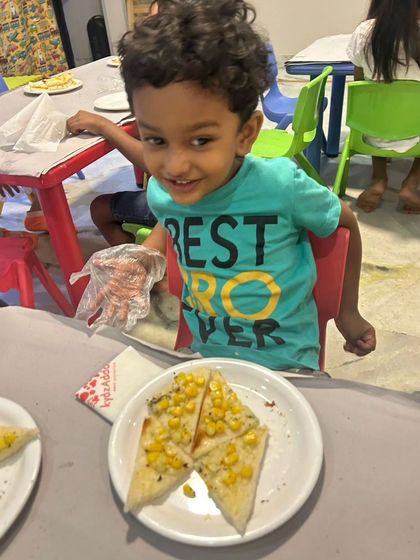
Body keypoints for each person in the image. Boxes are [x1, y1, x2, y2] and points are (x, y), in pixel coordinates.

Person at [80, 0, 376, 371]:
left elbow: (345, 222)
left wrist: (348, 312)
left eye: (200, 140)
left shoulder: (281, 185)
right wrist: (142, 259)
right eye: (155, 139)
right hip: (207, 354)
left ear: (246, 134)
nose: (175, 166)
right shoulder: (165, 191)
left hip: (287, 360)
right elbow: (173, 223)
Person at [347, 0, 420, 213]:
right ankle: (411, 184)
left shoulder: (364, 32)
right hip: (416, 134)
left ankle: (378, 178)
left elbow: (359, 85)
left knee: (375, 107)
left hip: (371, 133)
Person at [66, 111, 157, 245]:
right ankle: (129, 259)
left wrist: (102, 125)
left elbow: (157, 164)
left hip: (184, 209)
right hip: (179, 204)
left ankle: (129, 259)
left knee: (100, 208)